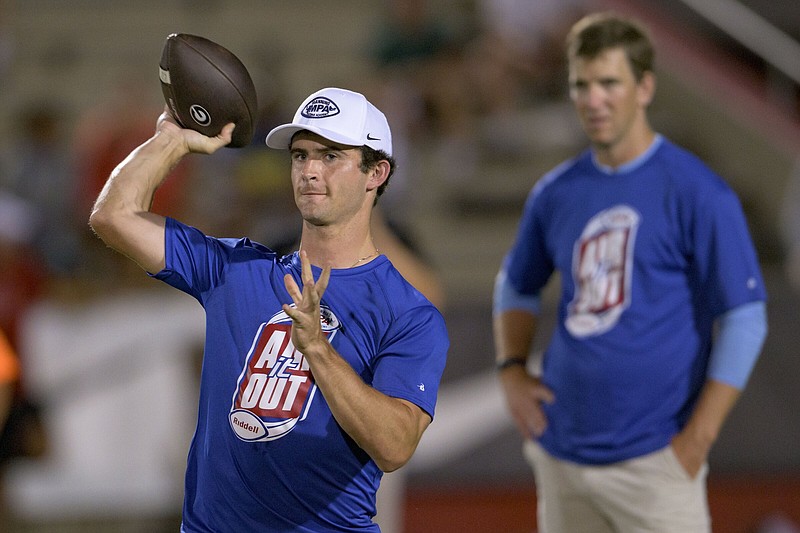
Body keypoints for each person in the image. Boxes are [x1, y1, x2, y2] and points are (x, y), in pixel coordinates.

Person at [89, 86, 449, 532]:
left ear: (376, 172)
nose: (310, 171)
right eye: (300, 155)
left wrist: (317, 349)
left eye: (331, 155)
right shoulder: (238, 269)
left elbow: (395, 447)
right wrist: (171, 140)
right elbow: (113, 215)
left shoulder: (408, 313)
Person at [493, 12, 768, 533]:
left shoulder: (698, 191)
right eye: (581, 84)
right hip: (563, 456)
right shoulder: (557, 192)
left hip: (656, 462)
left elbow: (745, 317)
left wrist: (698, 439)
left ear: (645, 87)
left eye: (609, 83)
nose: (593, 99)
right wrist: (510, 369)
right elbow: (515, 283)